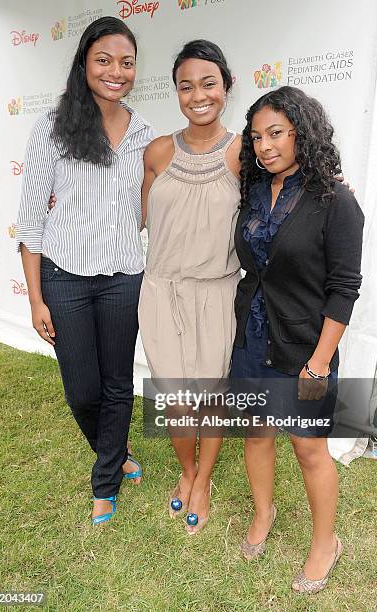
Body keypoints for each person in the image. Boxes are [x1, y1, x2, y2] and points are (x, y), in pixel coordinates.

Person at [16, 16, 155, 525]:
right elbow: (29, 224)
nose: (116, 71)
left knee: (118, 383)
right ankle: (115, 451)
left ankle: (106, 480)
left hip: (123, 277)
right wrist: (35, 299)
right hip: (65, 278)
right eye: (104, 59)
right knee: (82, 390)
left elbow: (148, 208)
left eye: (126, 62)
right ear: (84, 63)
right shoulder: (53, 127)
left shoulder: (144, 133)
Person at [231, 86, 364, 592]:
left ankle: (325, 543)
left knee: (310, 450)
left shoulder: (335, 199)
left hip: (306, 350)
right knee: (257, 434)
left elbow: (343, 288)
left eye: (277, 134)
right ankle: (263, 516)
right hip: (251, 339)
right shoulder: (251, 190)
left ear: (302, 133)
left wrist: (320, 362)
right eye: (257, 137)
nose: (265, 146)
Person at [139, 40, 242, 534]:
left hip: (218, 292)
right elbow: (139, 217)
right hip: (160, 291)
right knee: (176, 398)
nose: (197, 95)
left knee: (210, 395)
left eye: (208, 83)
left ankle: (203, 480)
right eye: (186, 86)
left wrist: (335, 186)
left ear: (226, 87)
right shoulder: (157, 151)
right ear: (176, 92)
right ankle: (186, 471)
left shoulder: (246, 151)